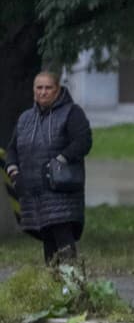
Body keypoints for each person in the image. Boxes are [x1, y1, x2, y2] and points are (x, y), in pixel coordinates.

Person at [5, 71, 92, 266]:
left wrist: (59, 160)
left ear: (57, 90)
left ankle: (73, 287)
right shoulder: (26, 118)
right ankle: (55, 289)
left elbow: (83, 141)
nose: (43, 92)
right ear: (34, 91)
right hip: (35, 194)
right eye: (39, 87)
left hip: (62, 192)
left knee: (63, 241)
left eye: (48, 88)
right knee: (48, 243)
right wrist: (14, 172)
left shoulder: (72, 112)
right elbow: (12, 149)